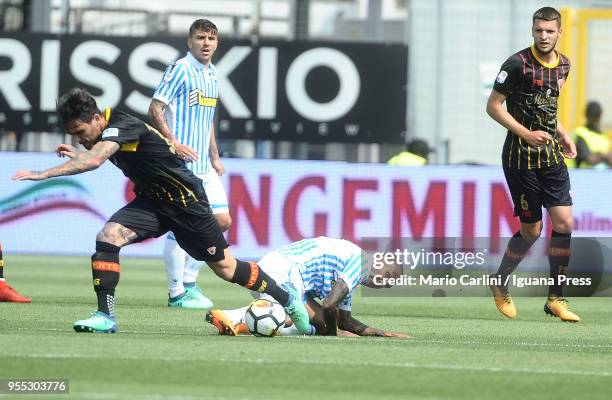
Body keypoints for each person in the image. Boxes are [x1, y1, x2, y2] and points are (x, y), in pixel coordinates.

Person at [11, 88, 312, 335]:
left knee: (227, 269)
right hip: (153, 202)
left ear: (95, 118)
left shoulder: (120, 125)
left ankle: (287, 298)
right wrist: (83, 152)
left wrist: (43, 173)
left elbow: (95, 161)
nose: (79, 138)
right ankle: (106, 316)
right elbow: (101, 153)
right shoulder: (108, 133)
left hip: (186, 202)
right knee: (108, 236)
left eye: (80, 131)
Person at [486, 7, 580, 322]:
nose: (544, 36)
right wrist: (525, 133)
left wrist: (563, 135)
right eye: (539, 30)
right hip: (519, 159)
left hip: (551, 156)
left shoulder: (565, 64)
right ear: (533, 30)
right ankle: (499, 282)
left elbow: (549, 109)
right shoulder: (516, 64)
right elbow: (493, 106)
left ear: (560, 32)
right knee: (532, 230)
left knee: (564, 223)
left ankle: (556, 298)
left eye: (550, 31)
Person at [148, 19, 230, 309]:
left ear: (217, 42)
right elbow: (155, 107)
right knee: (181, 228)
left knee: (222, 221)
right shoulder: (180, 69)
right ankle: (177, 292)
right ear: (189, 41)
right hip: (180, 166)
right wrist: (172, 142)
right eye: (200, 37)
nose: (206, 43)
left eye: (211, 38)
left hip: (204, 167)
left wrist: (215, 156)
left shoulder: (213, 74)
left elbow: (207, 119)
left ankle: (190, 281)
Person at [206, 236, 410, 339]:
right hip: (281, 271)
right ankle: (229, 316)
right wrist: (334, 335)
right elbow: (330, 304)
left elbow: (344, 321)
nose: (382, 287)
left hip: (284, 274)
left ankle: (241, 325)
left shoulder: (355, 271)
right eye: (387, 283)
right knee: (306, 322)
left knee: (320, 324)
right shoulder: (362, 263)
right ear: (386, 272)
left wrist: (379, 332)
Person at [567, 101, 612, 168]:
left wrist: (602, 156)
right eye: (593, 115)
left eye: (597, 115)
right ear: (586, 115)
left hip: (602, 176)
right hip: (581, 175)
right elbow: (589, 159)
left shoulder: (603, 136)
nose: (595, 119)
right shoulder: (580, 133)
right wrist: (605, 156)